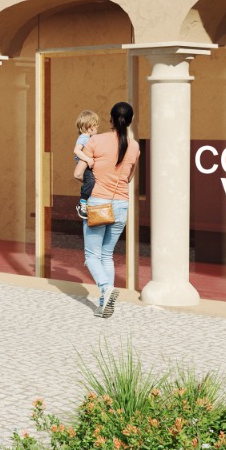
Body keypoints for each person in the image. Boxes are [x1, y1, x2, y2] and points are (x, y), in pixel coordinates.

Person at [81, 101, 140, 318]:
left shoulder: (96, 141)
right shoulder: (134, 146)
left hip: (99, 203)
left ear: (111, 119)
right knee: (107, 255)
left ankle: (106, 288)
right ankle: (104, 304)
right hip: (121, 204)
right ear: (130, 121)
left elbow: (78, 172)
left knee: (91, 255)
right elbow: (130, 177)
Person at [72, 109, 99, 221]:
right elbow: (76, 150)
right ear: (90, 127)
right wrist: (88, 159)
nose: (97, 128)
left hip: (88, 166)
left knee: (93, 181)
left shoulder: (89, 138)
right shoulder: (84, 138)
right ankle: (82, 202)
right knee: (91, 181)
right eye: (96, 125)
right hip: (85, 167)